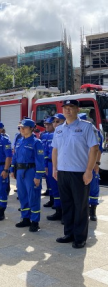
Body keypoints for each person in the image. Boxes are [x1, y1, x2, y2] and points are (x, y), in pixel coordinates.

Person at [52, 100, 99, 248]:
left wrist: (89, 171)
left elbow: (94, 149)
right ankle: (69, 233)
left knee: (80, 206)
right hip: (63, 172)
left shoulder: (86, 127)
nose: (68, 110)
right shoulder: (59, 129)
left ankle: (80, 237)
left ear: (77, 109)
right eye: (65, 108)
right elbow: (55, 150)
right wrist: (55, 168)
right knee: (67, 204)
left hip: (79, 173)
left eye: (71, 107)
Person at [11, 119, 45, 233]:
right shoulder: (20, 141)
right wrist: (12, 169)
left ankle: (35, 221)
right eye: (20, 127)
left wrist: (38, 176)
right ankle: (25, 218)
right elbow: (15, 156)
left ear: (31, 128)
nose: (21, 129)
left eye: (24, 127)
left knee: (33, 196)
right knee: (22, 195)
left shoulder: (36, 142)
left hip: (31, 172)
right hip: (20, 171)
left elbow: (40, 161)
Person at [78, 113, 102, 222]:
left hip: (91, 164)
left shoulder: (93, 130)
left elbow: (99, 148)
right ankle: (84, 210)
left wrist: (96, 163)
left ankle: (93, 211)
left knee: (93, 188)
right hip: (80, 164)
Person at [44, 116, 63, 222]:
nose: (55, 124)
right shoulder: (51, 135)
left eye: (57, 122)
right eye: (54, 122)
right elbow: (47, 151)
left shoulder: (65, 134)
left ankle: (65, 213)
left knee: (63, 190)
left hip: (63, 165)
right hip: (52, 165)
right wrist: (46, 165)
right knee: (55, 189)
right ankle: (58, 211)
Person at [42, 117, 55, 208]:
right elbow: (45, 151)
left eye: (48, 124)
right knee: (49, 183)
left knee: (55, 184)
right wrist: (45, 164)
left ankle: (57, 204)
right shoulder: (44, 135)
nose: (46, 126)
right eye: (45, 124)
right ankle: (51, 200)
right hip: (47, 163)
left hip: (54, 163)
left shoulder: (56, 135)